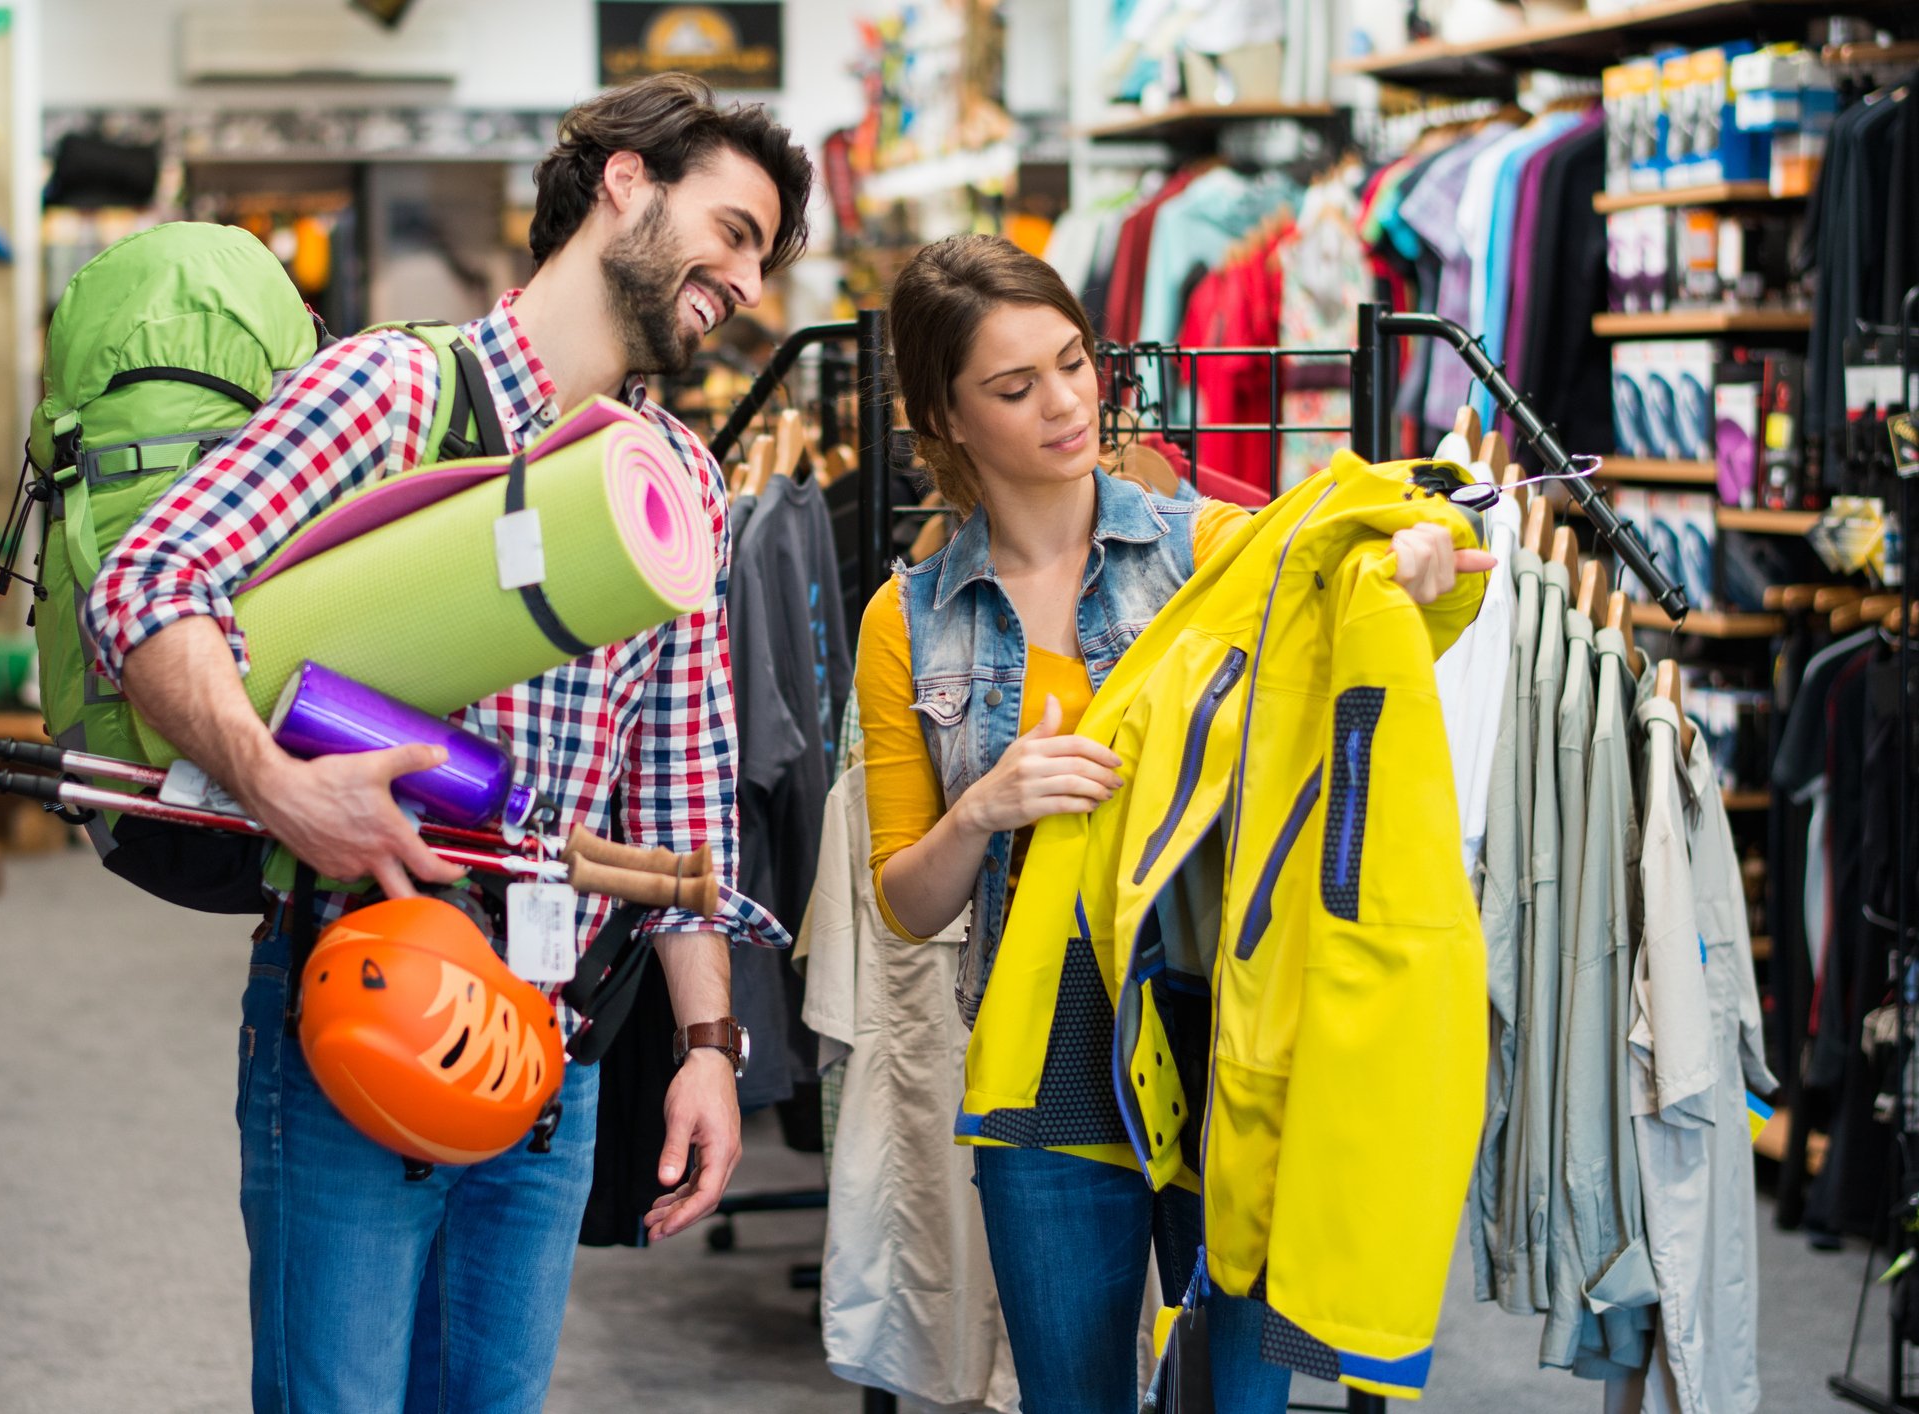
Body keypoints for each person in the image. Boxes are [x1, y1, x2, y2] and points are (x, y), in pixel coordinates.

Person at [84, 75, 812, 1414]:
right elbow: (144, 584)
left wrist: (711, 1043)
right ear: (624, 183)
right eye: (735, 229)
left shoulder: (681, 482)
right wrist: (275, 782)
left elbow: (681, 783)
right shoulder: (389, 391)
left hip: (552, 1043)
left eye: (765, 259)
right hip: (358, 995)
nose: (748, 283)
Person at [857, 234, 1493, 1412]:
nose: (1064, 405)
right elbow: (904, 901)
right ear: (940, 418)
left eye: (1074, 363)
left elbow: (1385, 595)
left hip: (1227, 1047)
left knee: (1236, 1406)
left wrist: (1419, 567)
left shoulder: (1215, 551)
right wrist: (988, 807)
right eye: (1013, 386)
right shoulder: (907, 621)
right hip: (1042, 1063)